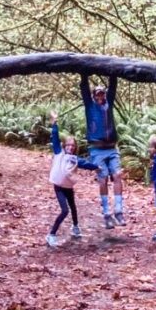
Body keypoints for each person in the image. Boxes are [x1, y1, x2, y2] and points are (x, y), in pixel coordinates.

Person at [46, 110, 98, 248]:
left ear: (75, 148)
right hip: (59, 187)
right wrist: (55, 123)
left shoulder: (75, 159)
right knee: (65, 210)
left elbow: (86, 164)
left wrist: (97, 167)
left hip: (68, 187)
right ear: (65, 146)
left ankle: (75, 227)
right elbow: (55, 137)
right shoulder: (59, 152)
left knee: (73, 207)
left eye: (73, 145)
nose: (70, 147)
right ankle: (51, 234)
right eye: (68, 144)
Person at [80, 73, 125, 229]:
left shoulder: (109, 104)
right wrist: (83, 73)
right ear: (93, 96)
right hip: (96, 149)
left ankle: (119, 210)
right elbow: (84, 88)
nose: (101, 95)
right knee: (103, 178)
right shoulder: (89, 106)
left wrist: (113, 72)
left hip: (112, 148)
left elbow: (113, 87)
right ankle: (106, 213)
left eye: (102, 93)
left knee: (118, 175)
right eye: (97, 93)